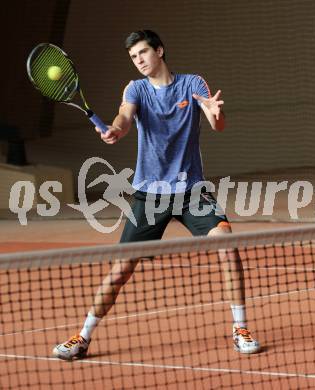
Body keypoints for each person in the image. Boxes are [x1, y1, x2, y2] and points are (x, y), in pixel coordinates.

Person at [53, 30, 260, 360]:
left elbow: (217, 124)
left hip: (191, 190)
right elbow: (124, 117)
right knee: (120, 271)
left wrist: (216, 111)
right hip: (150, 195)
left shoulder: (192, 84)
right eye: (134, 57)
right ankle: (82, 337)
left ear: (159, 51)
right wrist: (115, 130)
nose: (139, 61)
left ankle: (240, 328)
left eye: (143, 53)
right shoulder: (135, 89)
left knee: (226, 243)